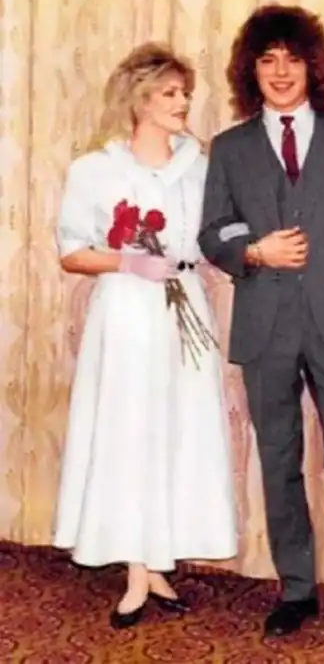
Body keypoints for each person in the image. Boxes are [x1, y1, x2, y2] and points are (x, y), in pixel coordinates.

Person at [198, 4, 324, 642]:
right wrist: (255, 252)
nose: (281, 72)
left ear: (313, 67)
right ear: (250, 71)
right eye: (268, 60)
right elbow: (213, 232)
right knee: (279, 457)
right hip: (265, 327)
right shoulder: (229, 148)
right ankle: (296, 590)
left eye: (292, 59)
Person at [54, 42, 236, 629]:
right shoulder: (95, 170)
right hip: (127, 314)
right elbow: (72, 252)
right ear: (140, 100)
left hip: (185, 312)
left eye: (186, 93)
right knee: (130, 430)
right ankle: (136, 568)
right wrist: (129, 262)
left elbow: (219, 233)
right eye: (170, 93)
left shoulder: (201, 167)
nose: (183, 103)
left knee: (179, 430)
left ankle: (158, 560)